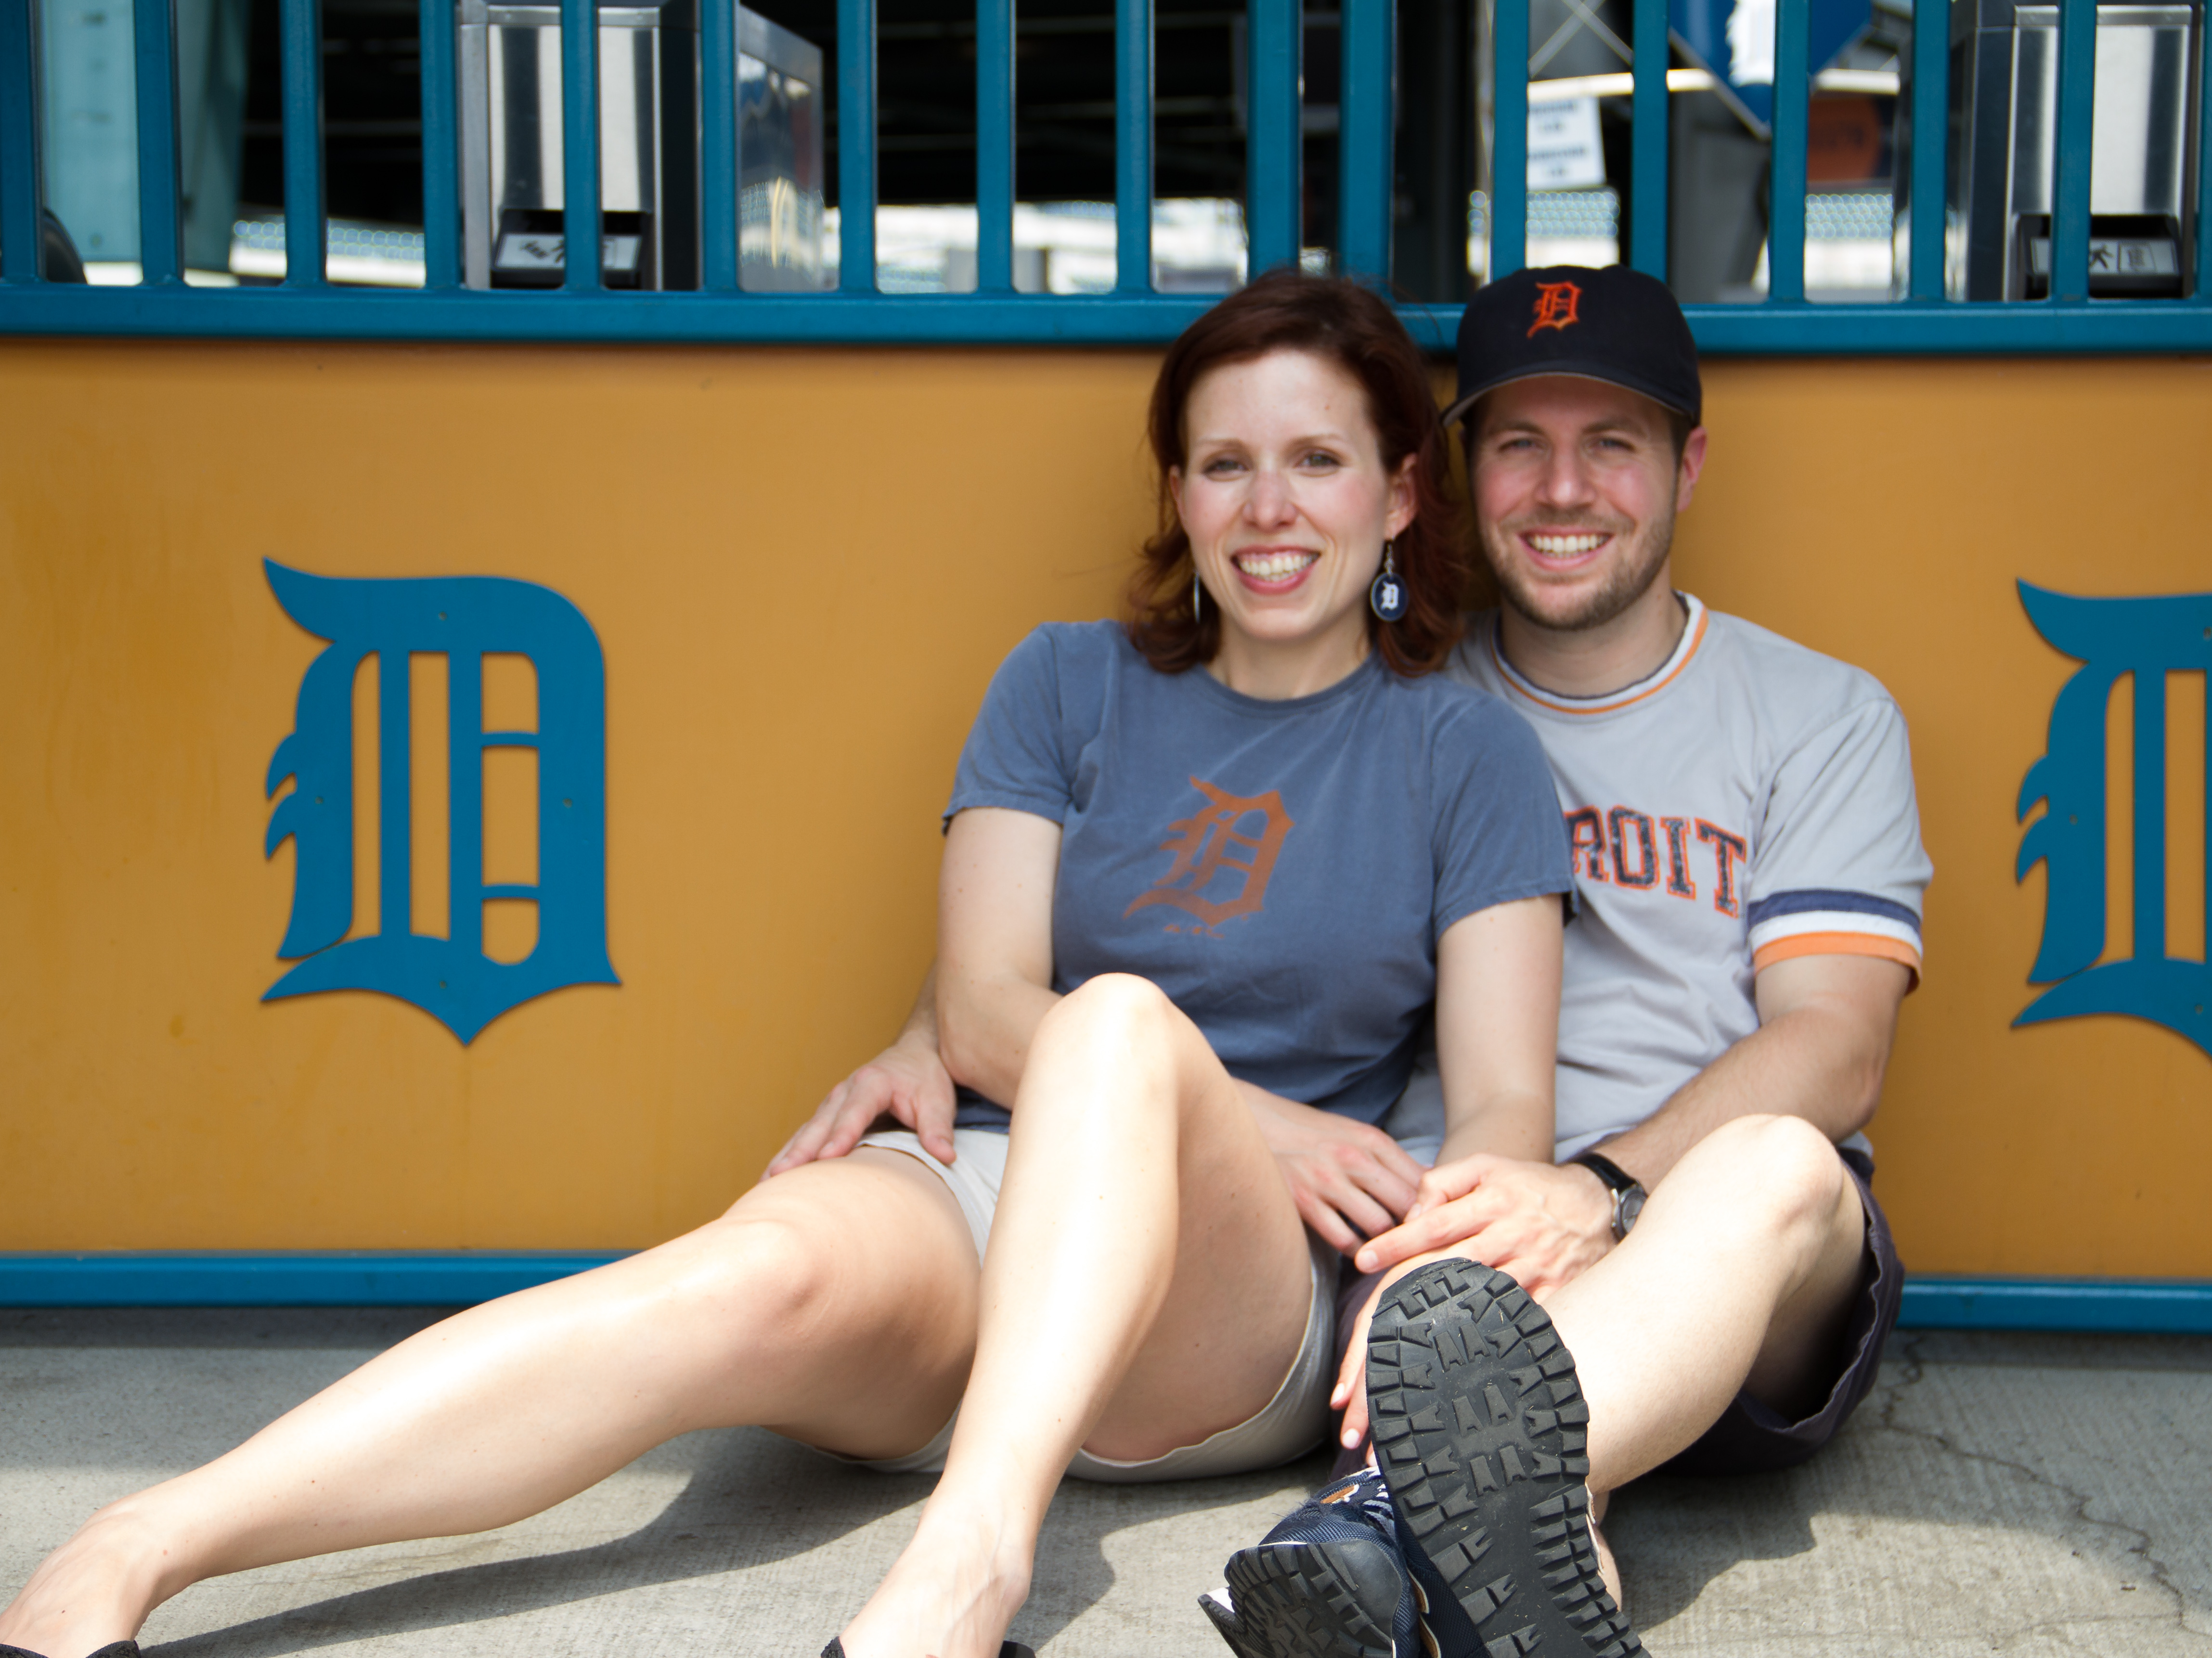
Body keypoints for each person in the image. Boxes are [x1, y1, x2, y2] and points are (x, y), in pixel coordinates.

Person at [0, 271, 1576, 1658]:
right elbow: (980, 1010)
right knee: (735, 1279)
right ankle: (136, 1542)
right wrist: (1263, 1115)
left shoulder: (1465, 753)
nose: (1268, 507)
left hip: (1229, 1300)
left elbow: (1505, 1106)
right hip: (989, 1196)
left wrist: (1396, 1257)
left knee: (1113, 1026)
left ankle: (967, 1563)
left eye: (1316, 461)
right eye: (1226, 464)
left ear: (1397, 497)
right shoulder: (1066, 683)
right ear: (1179, 491)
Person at [1190, 262, 1935, 1658]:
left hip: (1727, 1242)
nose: (1563, 488)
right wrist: (950, 1021)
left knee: (1778, 1164)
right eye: (1520, 443)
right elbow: (1159, 894)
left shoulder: (1819, 714)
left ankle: (1386, 1514)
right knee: (1488, 1420)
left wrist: (1599, 1190)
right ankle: (1452, 1557)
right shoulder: (1393, 703)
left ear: (1688, 466)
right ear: (1460, 475)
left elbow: (1836, 1047)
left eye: (1614, 444)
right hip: (1453, 1236)